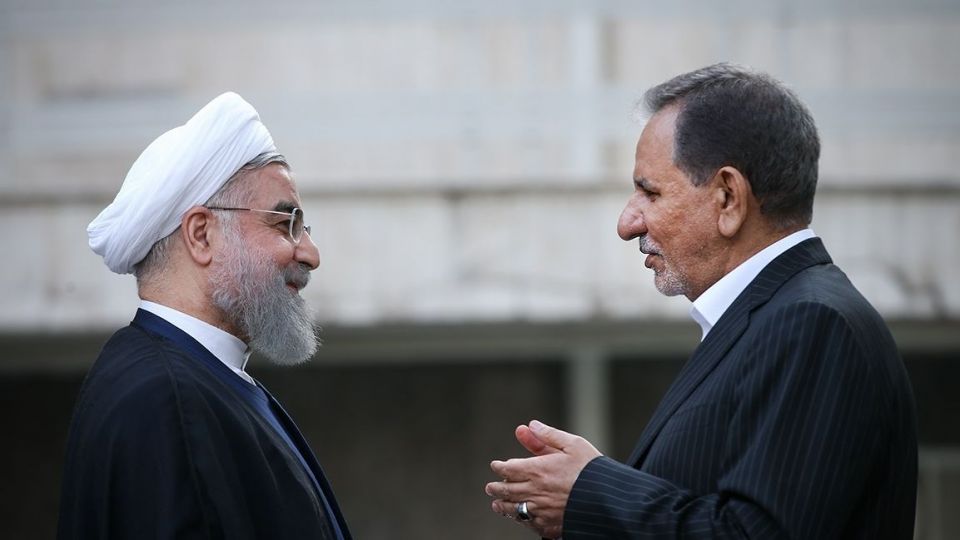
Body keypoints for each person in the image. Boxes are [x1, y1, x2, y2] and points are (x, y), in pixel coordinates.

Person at [485, 63, 918, 539]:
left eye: (650, 192)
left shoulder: (810, 324)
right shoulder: (775, 320)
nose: (628, 223)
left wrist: (590, 496)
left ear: (728, 198)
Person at [58, 92, 351, 539]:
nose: (310, 254)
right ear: (201, 235)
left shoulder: (193, 380)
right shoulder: (163, 399)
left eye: (302, 228)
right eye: (283, 224)